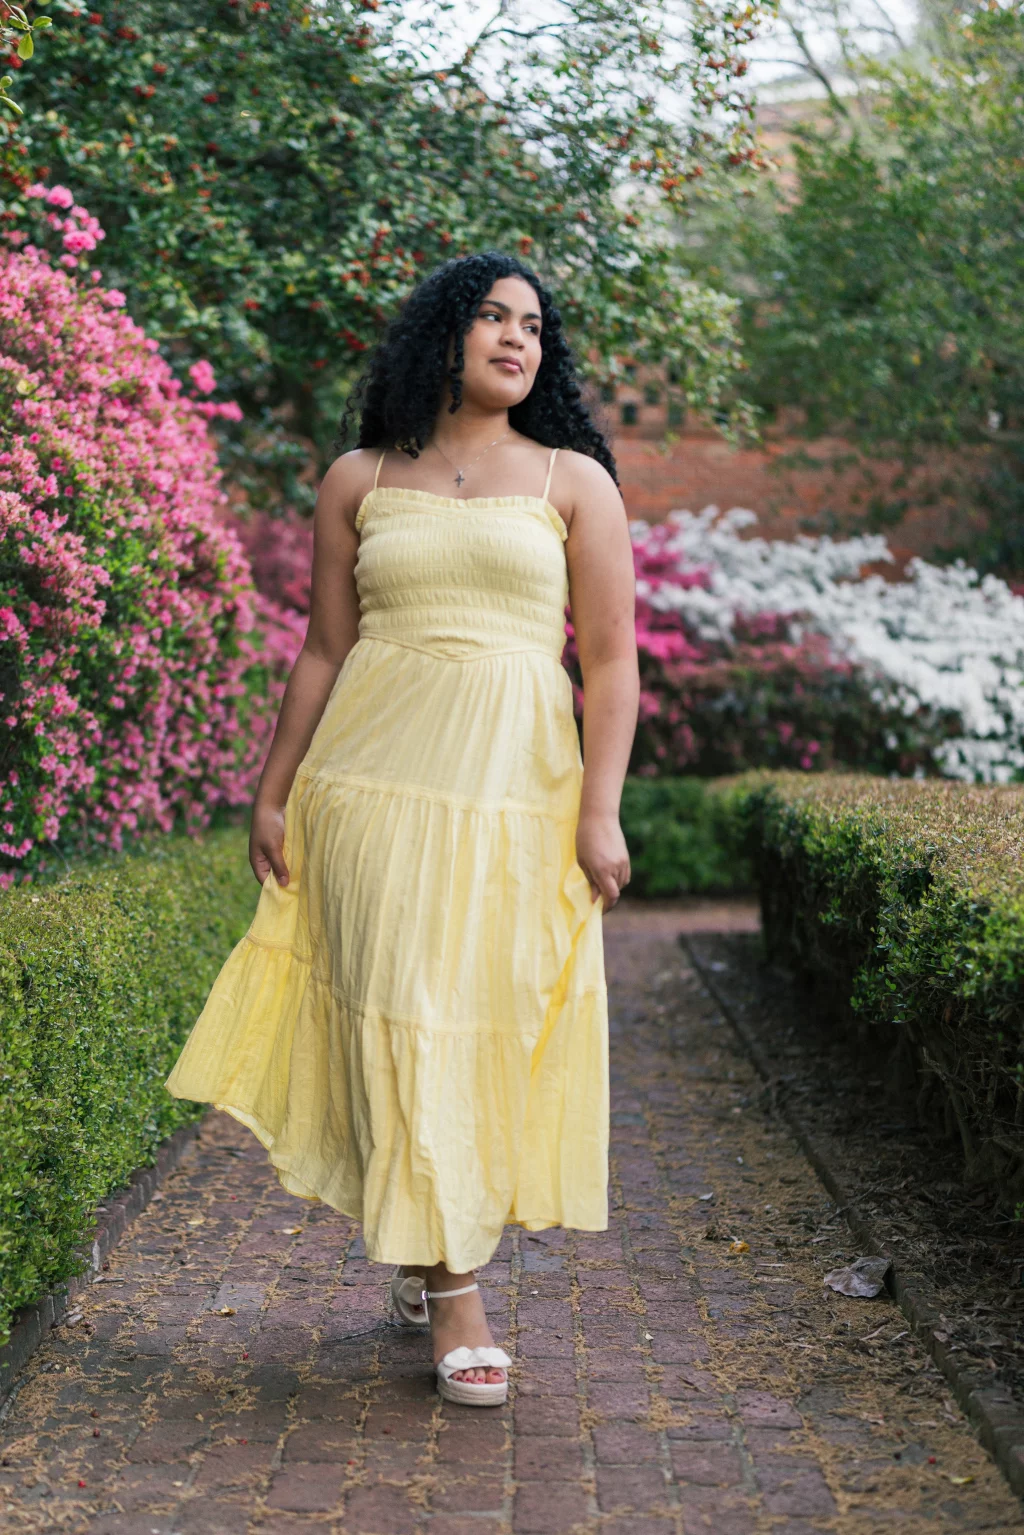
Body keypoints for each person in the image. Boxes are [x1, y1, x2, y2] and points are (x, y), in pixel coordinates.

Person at [165, 250, 639, 1407]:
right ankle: (457, 1292)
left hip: (512, 796)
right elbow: (324, 649)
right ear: (443, 333)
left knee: (477, 1018)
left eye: (533, 325)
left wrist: (600, 810)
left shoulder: (571, 481)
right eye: (490, 316)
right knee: (409, 1012)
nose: (515, 339)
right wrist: (273, 791)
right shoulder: (358, 477)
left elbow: (613, 661)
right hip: (370, 790)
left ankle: (429, 1250)